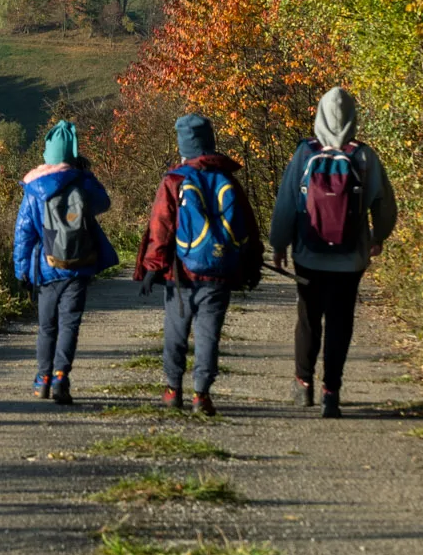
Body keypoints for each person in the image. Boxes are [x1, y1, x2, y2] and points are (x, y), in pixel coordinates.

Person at [271, 86, 399, 418]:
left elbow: (286, 204)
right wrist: (377, 236)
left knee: (308, 319)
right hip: (351, 257)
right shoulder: (365, 156)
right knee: (341, 321)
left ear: (319, 115)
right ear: (353, 118)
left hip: (308, 255)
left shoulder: (304, 153)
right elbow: (384, 204)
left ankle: (303, 385)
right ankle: (332, 391)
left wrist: (279, 244)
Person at [135, 114, 262, 416]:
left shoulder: (174, 180)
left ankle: (172, 389)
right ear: (210, 143)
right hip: (219, 273)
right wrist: (251, 266)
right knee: (208, 335)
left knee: (176, 332)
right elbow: (249, 228)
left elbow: (161, 227)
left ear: (183, 146)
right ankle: (201, 395)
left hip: (181, 276)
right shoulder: (228, 179)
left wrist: (152, 267)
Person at [12, 120, 117, 405]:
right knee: (69, 325)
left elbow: (23, 233)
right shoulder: (82, 183)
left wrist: (22, 271)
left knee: (47, 327)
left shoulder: (33, 188)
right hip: (79, 266)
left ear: (46, 153)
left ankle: (42, 379)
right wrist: (85, 174)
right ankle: (61, 377)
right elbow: (103, 203)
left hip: (46, 270)